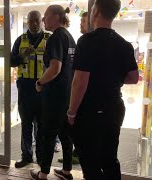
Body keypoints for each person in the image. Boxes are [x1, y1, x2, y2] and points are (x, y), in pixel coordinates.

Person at [67, 0, 138, 179]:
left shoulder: (86, 42)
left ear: (96, 11)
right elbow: (133, 78)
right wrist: (111, 79)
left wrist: (71, 112)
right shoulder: (125, 44)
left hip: (89, 110)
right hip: (114, 107)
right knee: (109, 158)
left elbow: (80, 82)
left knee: (90, 162)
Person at [30, 5, 76, 180]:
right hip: (67, 95)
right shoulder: (70, 38)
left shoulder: (56, 37)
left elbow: (55, 68)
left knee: (48, 134)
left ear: (57, 16)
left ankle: (43, 174)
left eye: (46, 16)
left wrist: (40, 82)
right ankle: (66, 171)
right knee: (65, 134)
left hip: (55, 95)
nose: (43, 20)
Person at [10, 10, 50, 168]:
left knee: (41, 125)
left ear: (42, 21)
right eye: (31, 21)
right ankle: (26, 156)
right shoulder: (20, 40)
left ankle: (41, 157)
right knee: (26, 123)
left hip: (43, 86)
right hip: (25, 87)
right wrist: (22, 56)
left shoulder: (50, 38)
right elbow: (11, 62)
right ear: (27, 22)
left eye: (37, 21)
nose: (34, 24)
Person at [57, 11, 89, 165]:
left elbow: (79, 77)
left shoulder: (84, 42)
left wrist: (72, 110)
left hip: (81, 97)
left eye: (83, 21)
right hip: (105, 102)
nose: (80, 24)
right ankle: (74, 158)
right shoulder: (74, 40)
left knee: (73, 131)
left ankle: (77, 157)